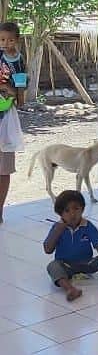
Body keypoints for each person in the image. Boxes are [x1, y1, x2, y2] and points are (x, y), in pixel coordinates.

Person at [43, 190, 98, 301]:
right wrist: (58, 231)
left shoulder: (88, 226)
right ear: (60, 213)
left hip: (87, 263)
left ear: (82, 209)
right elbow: (48, 249)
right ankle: (70, 289)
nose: (72, 214)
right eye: (67, 211)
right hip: (65, 265)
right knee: (52, 266)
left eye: (76, 209)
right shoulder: (57, 227)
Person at [0, 21, 26, 223]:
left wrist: (12, 92)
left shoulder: (19, 62)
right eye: (2, 39)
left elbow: (20, 93)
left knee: (4, 168)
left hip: (6, 118)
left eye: (9, 40)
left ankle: (0, 210)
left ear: (17, 40)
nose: (5, 43)